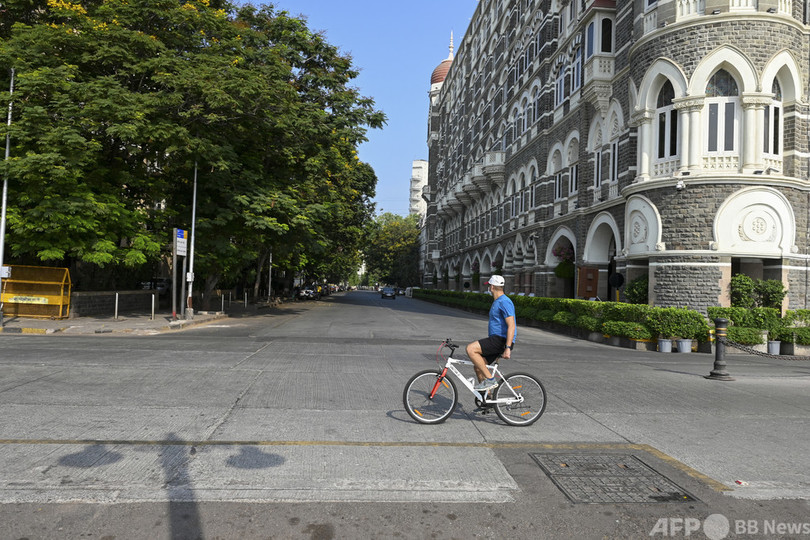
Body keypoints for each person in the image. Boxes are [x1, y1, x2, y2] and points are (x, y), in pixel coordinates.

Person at [466, 275, 516, 391]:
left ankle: (490, 380)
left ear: (492, 287)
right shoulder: (498, 301)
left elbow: (511, 325)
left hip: (500, 340)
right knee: (478, 367)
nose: (488, 288)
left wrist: (508, 348)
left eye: (489, 286)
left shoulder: (504, 302)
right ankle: (486, 400)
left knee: (470, 349)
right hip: (496, 339)